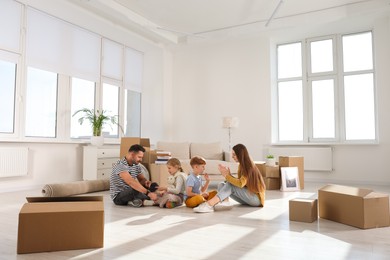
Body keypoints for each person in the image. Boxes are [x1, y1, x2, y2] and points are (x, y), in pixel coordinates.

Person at [193, 143, 266, 213]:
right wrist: (229, 175)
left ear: (240, 155)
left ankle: (209, 205)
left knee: (230, 185)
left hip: (256, 200)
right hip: (248, 197)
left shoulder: (248, 166)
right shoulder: (241, 165)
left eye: (234, 155)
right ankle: (225, 202)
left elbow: (240, 184)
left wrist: (227, 176)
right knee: (221, 184)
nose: (232, 157)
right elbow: (240, 182)